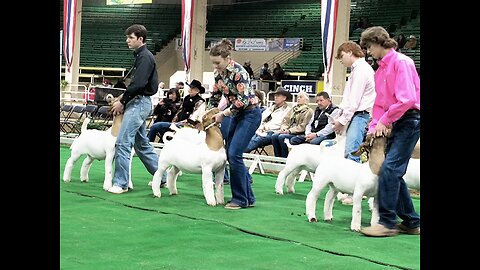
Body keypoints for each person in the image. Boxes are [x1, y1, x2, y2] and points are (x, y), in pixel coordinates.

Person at [358, 26, 420, 237]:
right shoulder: (380, 70)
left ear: (378, 42)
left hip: (410, 119)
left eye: (368, 47)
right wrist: (374, 126)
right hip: (395, 120)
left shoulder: (402, 63)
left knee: (390, 169)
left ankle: (387, 223)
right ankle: (412, 222)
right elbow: (380, 104)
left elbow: (408, 99)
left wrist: (384, 120)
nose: (368, 52)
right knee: (391, 170)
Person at [210, 38, 262, 210]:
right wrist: (209, 112)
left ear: (227, 58)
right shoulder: (219, 74)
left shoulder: (239, 72)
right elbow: (215, 96)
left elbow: (243, 99)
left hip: (250, 114)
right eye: (214, 63)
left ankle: (239, 199)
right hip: (236, 114)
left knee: (234, 154)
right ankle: (249, 197)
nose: (215, 66)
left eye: (218, 63)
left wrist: (222, 114)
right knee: (230, 154)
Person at [109, 24, 159, 194]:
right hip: (140, 102)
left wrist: (122, 101)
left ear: (140, 39)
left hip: (138, 103)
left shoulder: (145, 57)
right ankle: (163, 176)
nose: (127, 40)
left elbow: (138, 84)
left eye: (130, 38)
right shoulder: (142, 56)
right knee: (141, 144)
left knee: (122, 142)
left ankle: (121, 183)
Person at [332, 41, 377, 206]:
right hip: (356, 116)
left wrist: (342, 121)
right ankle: (352, 190)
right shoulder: (357, 70)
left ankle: (356, 192)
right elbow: (348, 99)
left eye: (342, 56)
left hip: (360, 115)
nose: (341, 60)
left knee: (353, 154)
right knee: (349, 153)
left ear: (350, 51)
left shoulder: (362, 70)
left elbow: (354, 101)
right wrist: (340, 116)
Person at [244, 87, 292, 153]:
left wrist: (265, 127)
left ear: (284, 98)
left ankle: (239, 153)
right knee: (247, 137)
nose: (276, 97)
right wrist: (261, 127)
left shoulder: (287, 110)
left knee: (256, 140)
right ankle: (240, 153)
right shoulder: (270, 108)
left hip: (273, 132)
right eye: (275, 96)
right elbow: (261, 119)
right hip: (260, 130)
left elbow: (279, 123)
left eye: (278, 96)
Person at [271, 91, 314, 158]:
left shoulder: (309, 111)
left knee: (281, 137)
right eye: (297, 97)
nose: (298, 99)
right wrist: (284, 128)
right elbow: (285, 120)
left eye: (300, 97)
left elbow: (303, 126)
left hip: (299, 133)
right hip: (288, 131)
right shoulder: (293, 109)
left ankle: (284, 158)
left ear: (306, 99)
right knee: (274, 136)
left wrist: (289, 131)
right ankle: (277, 158)